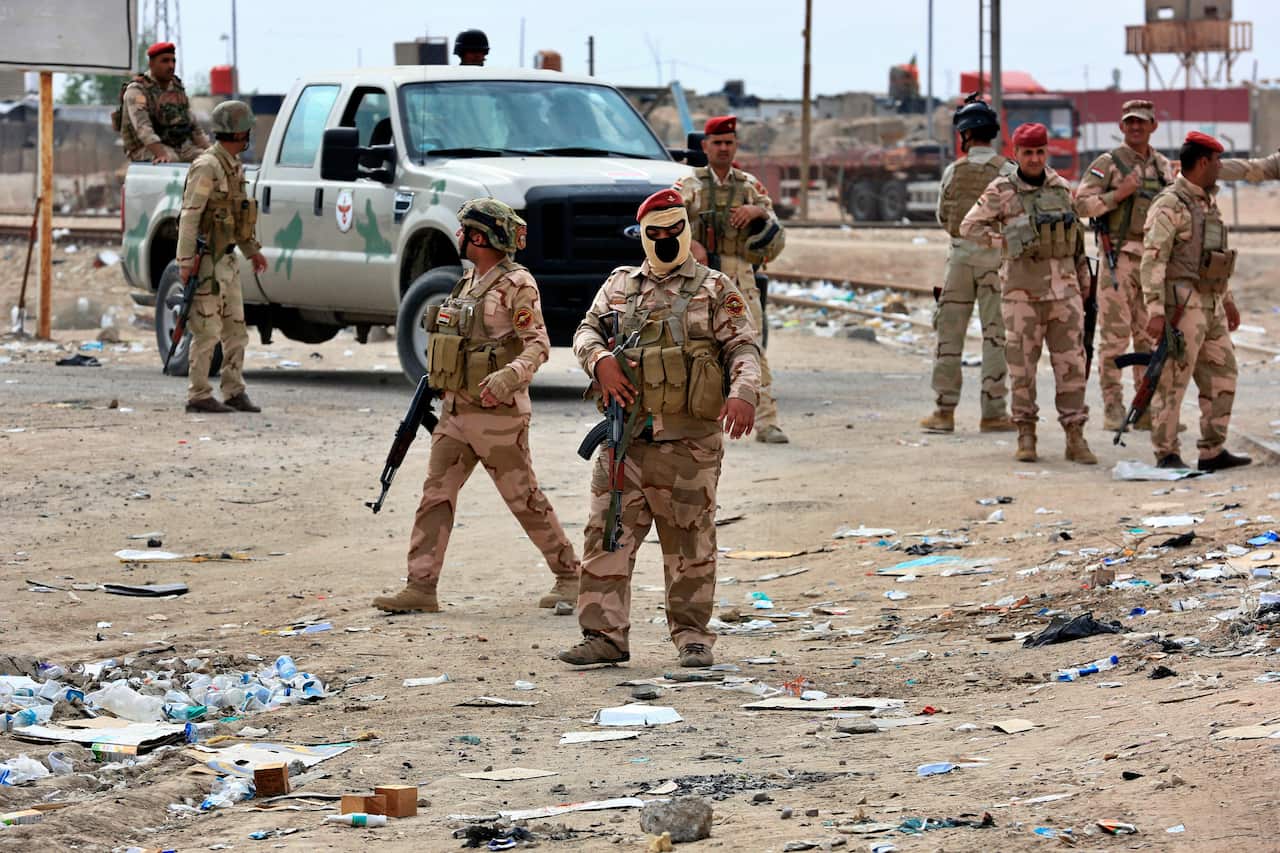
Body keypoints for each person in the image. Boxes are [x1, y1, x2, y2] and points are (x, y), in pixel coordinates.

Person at [559, 189, 761, 669]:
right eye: (657, 234)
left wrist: (744, 392)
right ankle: (604, 635)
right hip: (625, 441)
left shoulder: (716, 289)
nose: (667, 241)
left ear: (686, 230)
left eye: (675, 232)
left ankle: (692, 637)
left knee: (690, 543)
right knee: (605, 538)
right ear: (644, 236)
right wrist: (600, 360)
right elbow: (584, 331)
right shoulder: (620, 286)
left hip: (688, 445)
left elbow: (744, 349)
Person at [373, 199, 582, 613]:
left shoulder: (517, 284)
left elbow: (538, 344)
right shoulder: (466, 282)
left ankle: (570, 575)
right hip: (455, 413)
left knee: (524, 499)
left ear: (480, 237)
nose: (459, 237)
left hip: (498, 416)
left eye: (465, 230)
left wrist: (510, 376)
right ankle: (421, 586)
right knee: (435, 496)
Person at [960, 122, 1097, 465]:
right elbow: (969, 226)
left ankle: (1075, 435)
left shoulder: (1062, 187)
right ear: (1015, 153)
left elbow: (1076, 242)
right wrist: (1004, 240)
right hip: (1022, 296)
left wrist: (1084, 286)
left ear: (1045, 152)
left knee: (1072, 368)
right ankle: (1026, 433)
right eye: (1028, 153)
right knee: (1023, 370)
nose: (1034, 159)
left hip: (1064, 295)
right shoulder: (1001, 190)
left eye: (1039, 152)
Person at [1140, 132, 1251, 472]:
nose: (1220, 167)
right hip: (1181, 306)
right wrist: (1156, 311)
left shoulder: (1207, 203)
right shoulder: (1169, 204)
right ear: (1204, 162)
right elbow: (1153, 260)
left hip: (1211, 303)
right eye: (1217, 161)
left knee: (1223, 373)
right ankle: (1166, 452)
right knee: (1174, 379)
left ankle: (1212, 450)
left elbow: (1214, 257)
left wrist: (1227, 300)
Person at [676, 115, 788, 444]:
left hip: (740, 274)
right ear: (705, 147)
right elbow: (667, 219)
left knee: (750, 345)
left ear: (735, 146)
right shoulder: (688, 185)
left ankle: (766, 420)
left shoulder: (749, 185)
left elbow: (774, 222)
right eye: (717, 143)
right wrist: (690, 243)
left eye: (729, 143)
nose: (723, 148)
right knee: (694, 347)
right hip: (700, 275)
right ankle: (692, 420)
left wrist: (758, 213)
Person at [1073, 100, 1175, 431]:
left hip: (1153, 264)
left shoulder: (1162, 167)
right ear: (1121, 126)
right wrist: (1118, 194)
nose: (1135, 127)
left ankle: (1143, 408)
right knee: (1114, 340)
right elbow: (1081, 205)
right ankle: (1113, 407)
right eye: (1130, 122)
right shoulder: (1109, 163)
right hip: (1118, 261)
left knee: (1149, 338)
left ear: (1152, 127)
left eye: (1141, 122)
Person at [920, 96, 1014, 434]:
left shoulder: (953, 171)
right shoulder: (1008, 171)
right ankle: (994, 413)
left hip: (959, 259)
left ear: (964, 135)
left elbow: (945, 216)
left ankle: (943, 412)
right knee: (996, 337)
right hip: (996, 260)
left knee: (949, 335)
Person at [175, 100, 267, 414]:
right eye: (247, 129)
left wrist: (252, 251)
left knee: (236, 330)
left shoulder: (233, 165)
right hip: (207, 261)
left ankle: (233, 390)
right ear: (237, 131)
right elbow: (189, 216)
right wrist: (185, 263)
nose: (249, 135)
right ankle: (198, 394)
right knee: (207, 331)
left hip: (227, 261)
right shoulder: (207, 166)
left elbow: (238, 216)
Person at [118, 41, 209, 163]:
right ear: (152, 64)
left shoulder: (176, 88)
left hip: (178, 146)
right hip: (145, 147)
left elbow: (192, 125)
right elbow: (143, 128)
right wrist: (161, 153)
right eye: (165, 61)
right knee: (169, 162)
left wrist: (211, 151)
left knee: (209, 162)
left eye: (173, 61)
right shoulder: (138, 91)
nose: (171, 66)